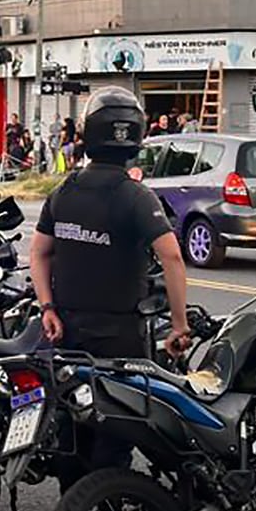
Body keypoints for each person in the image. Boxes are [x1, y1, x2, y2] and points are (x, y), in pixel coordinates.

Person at [30, 86, 190, 488]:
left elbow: (38, 253)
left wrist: (47, 307)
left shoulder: (64, 191)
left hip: (68, 332)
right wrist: (179, 324)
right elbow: (171, 257)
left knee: (73, 428)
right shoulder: (135, 197)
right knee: (116, 435)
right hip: (120, 338)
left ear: (87, 134)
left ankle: (74, 498)